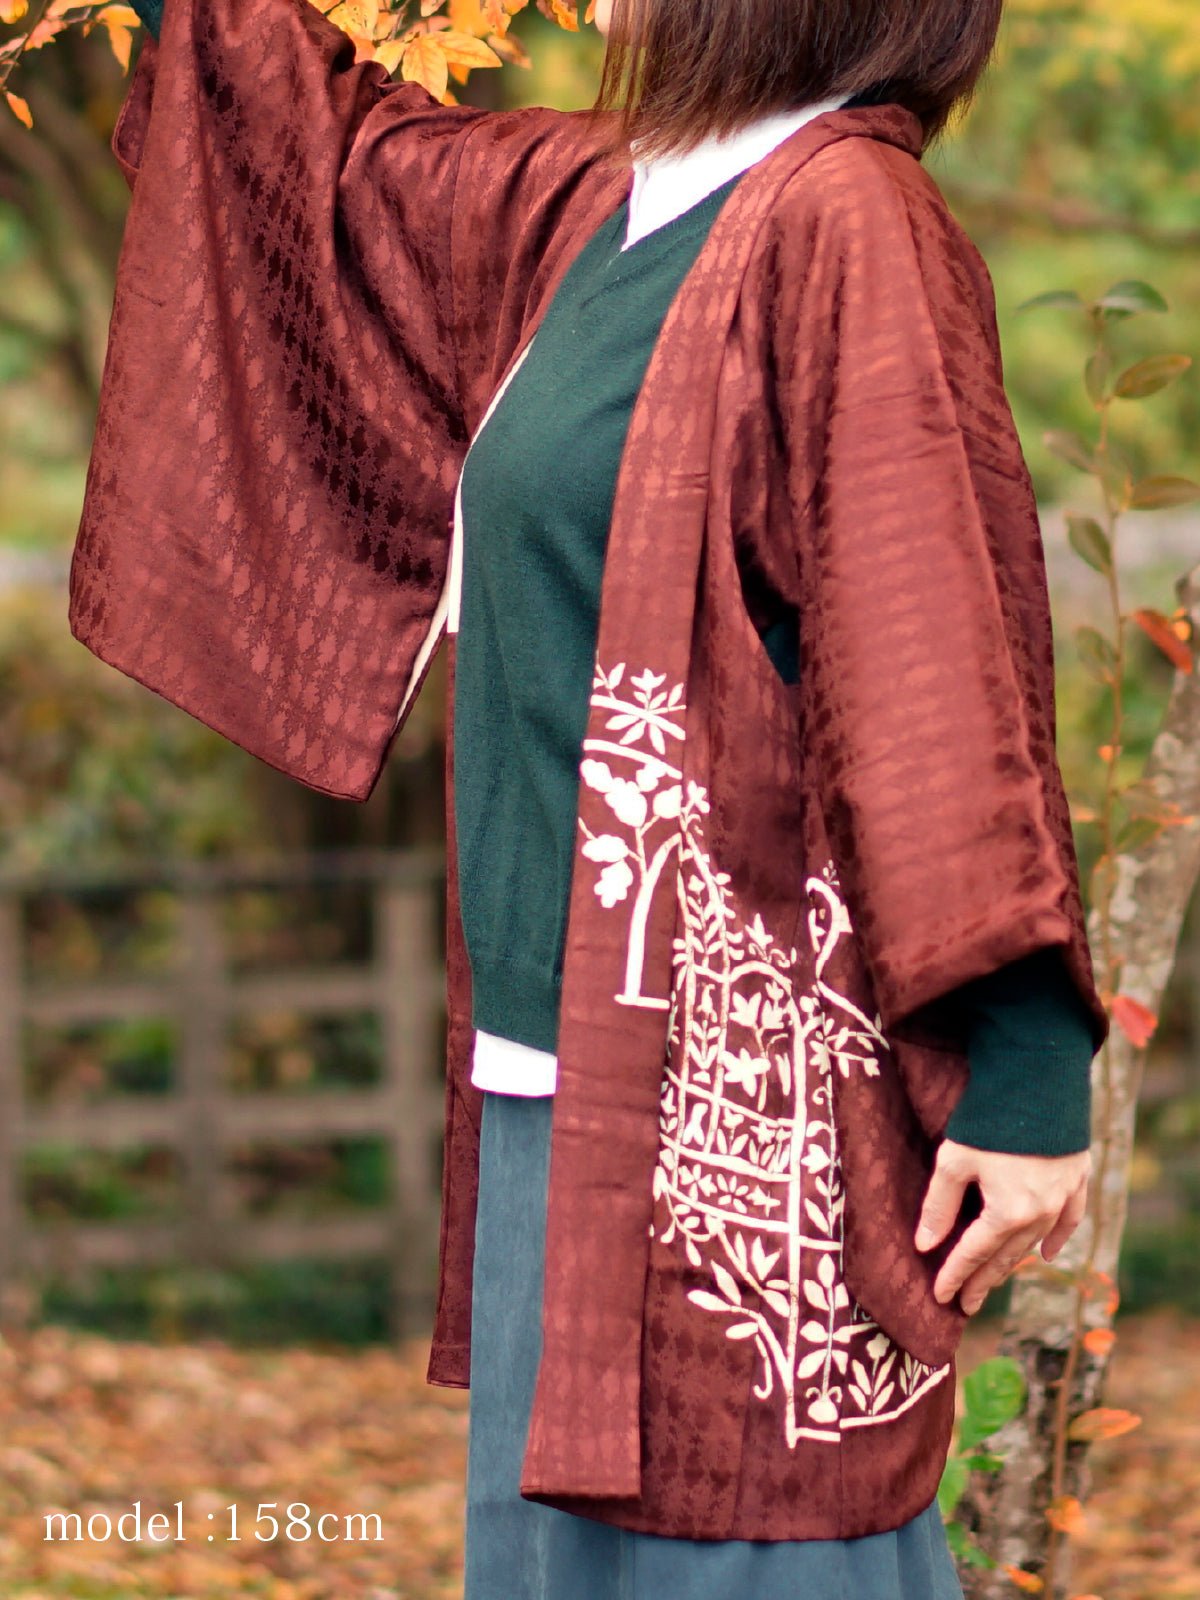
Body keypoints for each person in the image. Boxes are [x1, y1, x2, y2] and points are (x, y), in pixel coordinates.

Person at [74, 0, 1107, 1595]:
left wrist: (1027, 1060)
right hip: (547, 1084)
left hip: (734, 1119)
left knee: (751, 1548)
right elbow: (341, 170)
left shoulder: (845, 217)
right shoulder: (601, 206)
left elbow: (936, 640)